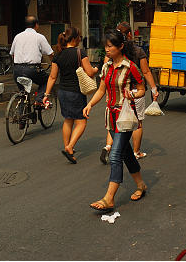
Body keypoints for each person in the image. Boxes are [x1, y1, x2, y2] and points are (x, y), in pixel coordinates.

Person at [85, 29, 147, 212]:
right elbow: (101, 89)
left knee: (115, 155)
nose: (107, 50)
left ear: (120, 47)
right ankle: (141, 184)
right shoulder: (106, 67)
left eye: (110, 46)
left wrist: (133, 93)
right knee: (126, 153)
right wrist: (90, 105)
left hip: (125, 118)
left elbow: (142, 89)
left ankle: (109, 198)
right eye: (106, 46)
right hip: (110, 117)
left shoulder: (130, 67)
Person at [101, 22, 159, 163]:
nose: (108, 49)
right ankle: (135, 152)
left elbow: (105, 72)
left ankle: (109, 146)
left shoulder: (111, 53)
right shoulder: (137, 51)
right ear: (129, 35)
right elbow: (145, 71)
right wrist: (153, 88)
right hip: (133, 93)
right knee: (137, 123)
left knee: (114, 124)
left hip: (115, 93)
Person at [43, 27, 98, 164]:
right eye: (79, 36)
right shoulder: (80, 53)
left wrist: (46, 94)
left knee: (68, 120)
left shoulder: (58, 55)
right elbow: (90, 72)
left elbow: (52, 77)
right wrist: (96, 69)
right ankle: (70, 147)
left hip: (62, 92)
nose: (80, 39)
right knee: (81, 121)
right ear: (74, 39)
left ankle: (68, 148)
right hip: (76, 92)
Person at [10, 15, 53, 105]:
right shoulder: (39, 37)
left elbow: (12, 54)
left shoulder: (17, 36)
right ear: (36, 25)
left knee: (23, 93)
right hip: (32, 70)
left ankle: (21, 116)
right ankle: (39, 99)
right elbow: (50, 53)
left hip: (17, 70)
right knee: (46, 80)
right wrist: (54, 64)